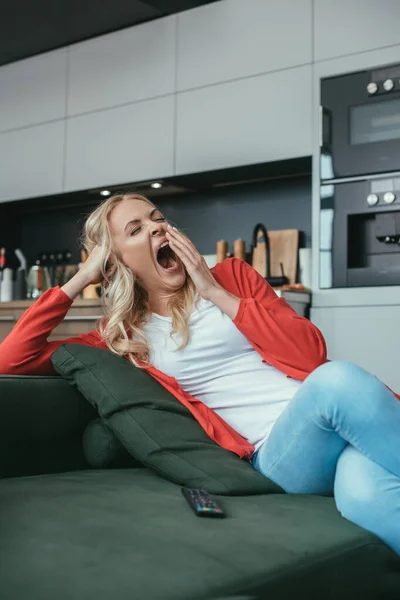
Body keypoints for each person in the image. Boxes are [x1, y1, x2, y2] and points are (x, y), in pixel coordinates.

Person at [0, 193, 399, 555]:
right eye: (136, 229)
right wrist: (82, 277)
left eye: (157, 218)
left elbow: (311, 355)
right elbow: (11, 360)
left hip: (335, 421)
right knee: (337, 380)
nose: (157, 226)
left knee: (364, 495)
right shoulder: (121, 338)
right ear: (114, 261)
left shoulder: (233, 278)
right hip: (279, 454)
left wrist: (214, 292)